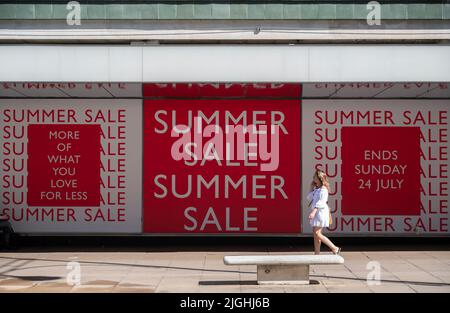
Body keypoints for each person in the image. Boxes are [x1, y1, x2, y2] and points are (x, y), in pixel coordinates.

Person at [307, 169, 341, 255]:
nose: (313, 178)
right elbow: (309, 198)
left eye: (315, 177)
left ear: (319, 178)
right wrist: (311, 187)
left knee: (317, 233)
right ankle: (317, 253)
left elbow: (321, 202)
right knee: (316, 234)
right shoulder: (317, 189)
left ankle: (334, 248)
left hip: (320, 212)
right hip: (317, 212)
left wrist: (313, 212)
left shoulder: (323, 189)